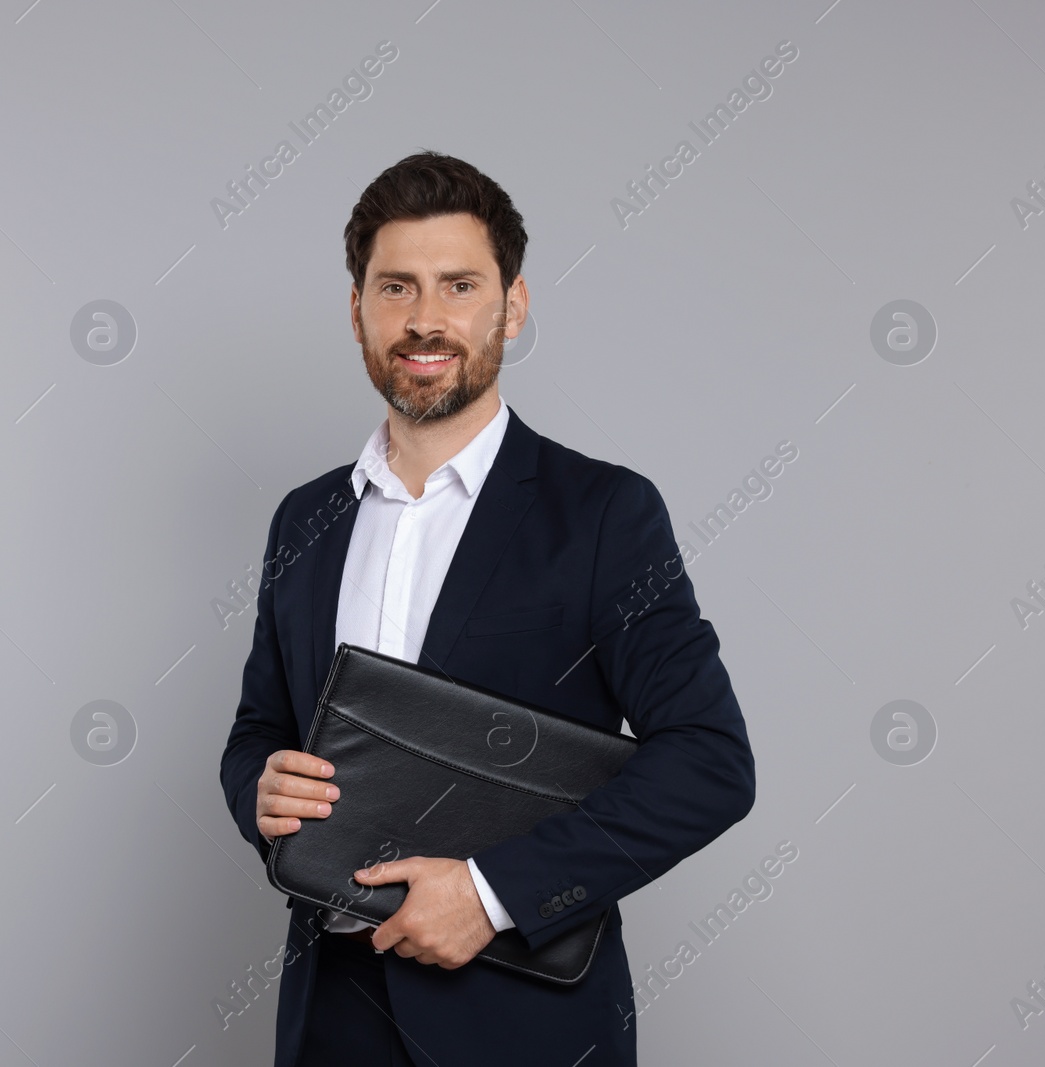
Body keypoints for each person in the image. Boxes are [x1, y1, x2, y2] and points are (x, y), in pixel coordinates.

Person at [219, 151, 755, 1067]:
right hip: (328, 1019)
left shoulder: (602, 514)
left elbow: (710, 761)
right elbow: (258, 730)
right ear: (358, 311)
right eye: (396, 287)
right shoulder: (305, 519)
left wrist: (492, 893)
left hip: (523, 1028)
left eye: (458, 285)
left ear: (512, 305)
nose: (425, 319)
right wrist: (258, 789)